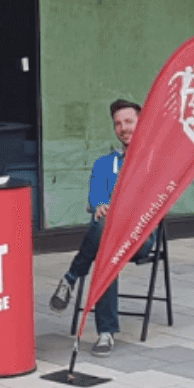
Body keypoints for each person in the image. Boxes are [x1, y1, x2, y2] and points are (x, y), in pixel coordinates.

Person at [48, 99, 156, 357]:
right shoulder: (104, 164)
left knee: (107, 242)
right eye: (118, 123)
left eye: (129, 121)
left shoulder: (154, 162)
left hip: (141, 237)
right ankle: (105, 333)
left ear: (141, 122)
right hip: (110, 236)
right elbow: (96, 199)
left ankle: (71, 277)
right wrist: (99, 206)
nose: (123, 128)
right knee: (107, 247)